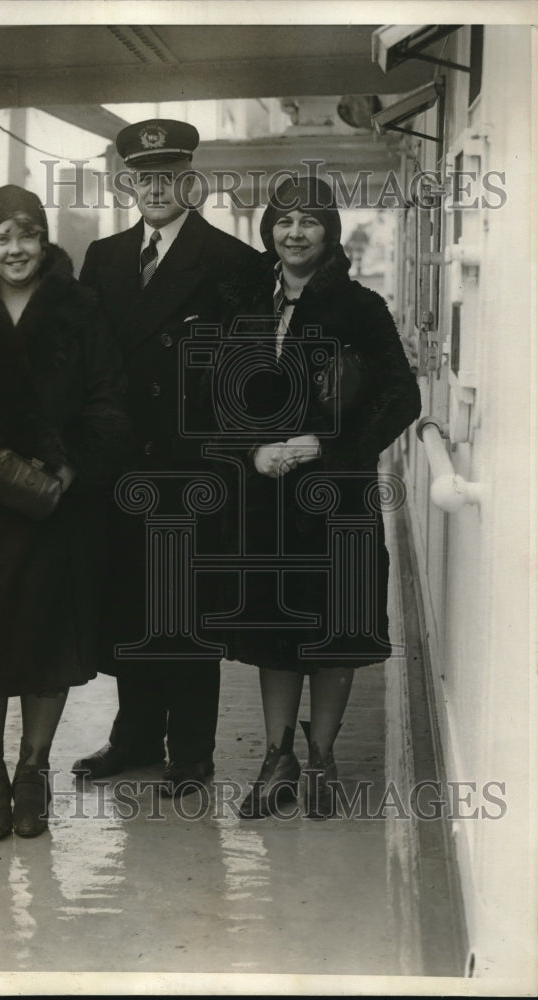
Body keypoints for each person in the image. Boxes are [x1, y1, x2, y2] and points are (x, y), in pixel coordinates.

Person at [0, 184, 130, 840]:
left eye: (27, 235)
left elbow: (108, 400)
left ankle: (33, 771)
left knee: (47, 636)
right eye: (3, 237)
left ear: (44, 240)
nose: (16, 249)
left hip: (56, 503)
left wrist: (66, 469)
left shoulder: (79, 307)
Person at [219, 175, 421, 819]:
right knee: (274, 632)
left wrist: (322, 447)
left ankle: (321, 761)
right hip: (267, 501)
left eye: (309, 222)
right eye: (284, 221)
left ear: (329, 233)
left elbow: (400, 396)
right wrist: (253, 450)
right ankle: (275, 758)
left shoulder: (360, 308)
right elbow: (219, 396)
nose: (295, 233)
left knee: (335, 631)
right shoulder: (248, 306)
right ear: (268, 233)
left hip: (337, 497)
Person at [73, 119, 260, 796]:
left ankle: (190, 750)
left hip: (192, 469)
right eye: (142, 176)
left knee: (185, 609)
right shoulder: (104, 257)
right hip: (120, 469)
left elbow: (249, 380)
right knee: (128, 603)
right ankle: (132, 739)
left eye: (168, 174)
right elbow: (86, 366)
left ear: (190, 179)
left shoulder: (233, 262)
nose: (155, 186)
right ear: (129, 182)